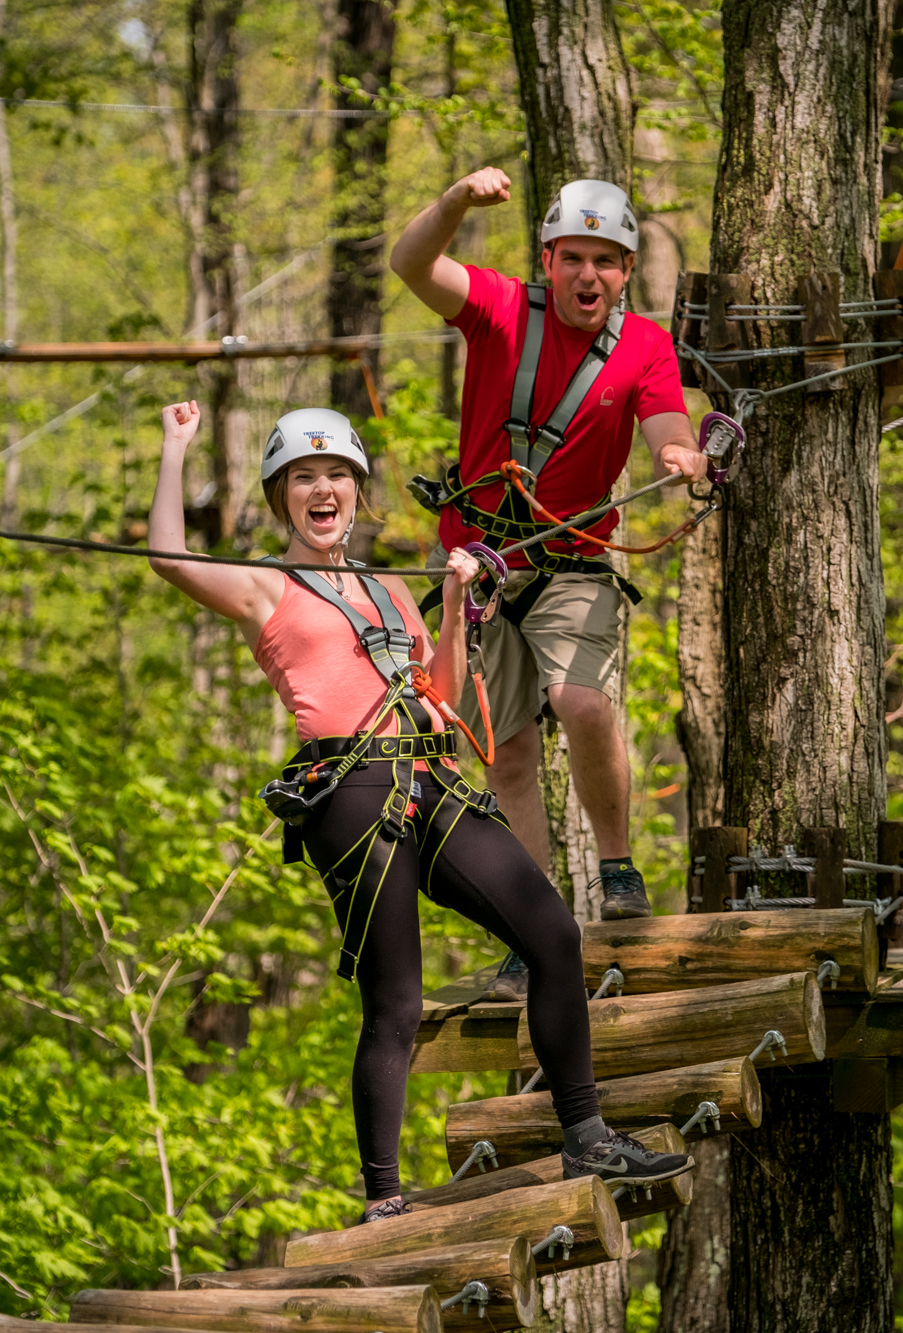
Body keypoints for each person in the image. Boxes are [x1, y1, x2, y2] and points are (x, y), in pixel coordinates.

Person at [146, 400, 691, 1221]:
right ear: (281, 495)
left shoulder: (389, 584)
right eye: (304, 478)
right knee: (396, 1001)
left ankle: (587, 1133)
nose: (323, 490)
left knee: (553, 933)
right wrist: (174, 447)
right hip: (349, 790)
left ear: (357, 493)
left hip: (430, 775)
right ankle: (384, 1198)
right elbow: (168, 558)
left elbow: (436, 684)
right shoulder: (267, 585)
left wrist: (457, 606)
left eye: (336, 476)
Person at [390, 168, 707, 1002]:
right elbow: (411, 264)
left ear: (628, 270)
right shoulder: (500, 307)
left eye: (606, 260)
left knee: (582, 702)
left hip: (572, 559)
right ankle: (536, 926)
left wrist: (678, 455)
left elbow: (666, 419)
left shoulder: (644, 344)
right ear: (548, 258)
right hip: (481, 562)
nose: (588, 276)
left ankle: (617, 867)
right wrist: (454, 199)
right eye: (574, 258)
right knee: (510, 753)